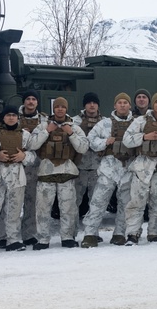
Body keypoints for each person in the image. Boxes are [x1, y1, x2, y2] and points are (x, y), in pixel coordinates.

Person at [30, 97, 90, 249]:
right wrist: (46, 131)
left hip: (66, 173)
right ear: (53, 109)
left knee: (68, 208)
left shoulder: (74, 127)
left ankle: (67, 237)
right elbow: (32, 144)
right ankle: (43, 239)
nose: (60, 109)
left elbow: (83, 148)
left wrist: (70, 133)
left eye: (63, 107)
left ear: (66, 109)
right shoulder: (43, 125)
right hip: (46, 173)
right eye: (57, 107)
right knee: (43, 208)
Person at [82, 93, 137, 247]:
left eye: (125, 102)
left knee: (125, 203)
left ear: (129, 106)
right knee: (98, 201)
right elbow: (91, 140)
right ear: (115, 105)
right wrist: (105, 142)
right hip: (108, 168)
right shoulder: (104, 124)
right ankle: (90, 234)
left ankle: (120, 233)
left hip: (128, 168)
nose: (122, 105)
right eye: (119, 102)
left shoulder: (136, 123)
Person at [0, 105, 36, 253]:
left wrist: (24, 157)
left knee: (14, 210)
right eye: (8, 115)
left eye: (14, 115)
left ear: (18, 117)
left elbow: (33, 155)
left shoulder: (25, 135)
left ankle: (13, 240)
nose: (11, 117)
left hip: (17, 174)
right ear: (3, 117)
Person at [122, 93, 157, 244]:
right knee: (137, 202)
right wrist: (146, 137)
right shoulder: (140, 121)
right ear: (153, 104)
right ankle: (132, 234)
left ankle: (154, 233)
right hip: (143, 167)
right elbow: (127, 139)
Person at [17, 90, 46, 246]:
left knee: (32, 201)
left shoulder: (43, 121)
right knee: (12, 202)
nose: (30, 101)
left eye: (33, 99)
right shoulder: (13, 117)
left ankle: (28, 234)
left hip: (36, 165)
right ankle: (6, 236)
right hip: (16, 163)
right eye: (27, 98)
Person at [73, 92, 103, 215]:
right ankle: (71, 232)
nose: (92, 105)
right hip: (79, 168)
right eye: (89, 103)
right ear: (84, 105)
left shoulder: (105, 122)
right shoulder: (75, 122)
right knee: (73, 202)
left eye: (94, 102)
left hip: (98, 168)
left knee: (96, 203)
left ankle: (92, 233)